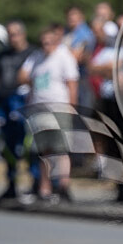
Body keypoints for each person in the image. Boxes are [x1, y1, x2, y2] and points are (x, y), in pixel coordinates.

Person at [19, 27, 79, 200]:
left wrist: (72, 108)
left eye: (49, 42)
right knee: (43, 151)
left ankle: (63, 187)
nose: (46, 46)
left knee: (61, 149)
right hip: (39, 109)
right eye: (43, 42)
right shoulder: (37, 57)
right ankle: (44, 189)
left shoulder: (63, 56)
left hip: (58, 108)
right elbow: (23, 77)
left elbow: (72, 83)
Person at [0, 20, 36, 198]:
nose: (13, 38)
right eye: (9, 34)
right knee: (8, 146)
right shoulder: (3, 55)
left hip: (23, 102)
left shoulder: (33, 54)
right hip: (5, 102)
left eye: (15, 34)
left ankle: (36, 183)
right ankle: (12, 183)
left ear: (23, 34)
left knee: (28, 146)